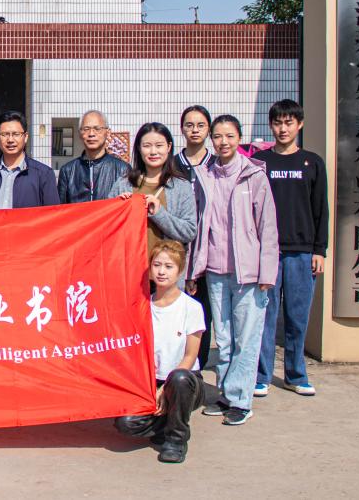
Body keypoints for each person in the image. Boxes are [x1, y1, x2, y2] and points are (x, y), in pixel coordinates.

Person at [188, 114, 278, 426]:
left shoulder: (254, 175)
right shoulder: (204, 175)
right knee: (224, 339)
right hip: (215, 269)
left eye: (229, 136)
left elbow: (268, 227)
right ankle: (227, 394)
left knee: (246, 337)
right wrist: (194, 270)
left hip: (248, 272)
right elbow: (199, 225)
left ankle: (241, 399)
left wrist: (267, 273)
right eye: (218, 136)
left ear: (239, 139)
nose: (223, 142)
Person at [253, 99, 328, 398]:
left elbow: (321, 209)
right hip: (268, 252)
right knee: (265, 317)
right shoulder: (260, 162)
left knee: (297, 318)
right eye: (277, 123)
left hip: (302, 252)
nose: (283, 129)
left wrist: (319, 250)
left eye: (289, 122)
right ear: (271, 125)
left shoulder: (312, 162)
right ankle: (261, 375)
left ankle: (296, 375)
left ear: (300, 124)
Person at [115, 240, 205, 464]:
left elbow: (190, 356)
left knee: (180, 379)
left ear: (179, 270)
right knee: (126, 423)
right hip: (149, 382)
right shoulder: (141, 306)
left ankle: (177, 440)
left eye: (168, 266)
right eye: (157, 265)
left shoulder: (191, 307)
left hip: (184, 382)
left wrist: (165, 390)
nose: (162, 271)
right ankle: (166, 424)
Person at [108, 122, 197, 258]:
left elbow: (189, 232)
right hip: (130, 266)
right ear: (139, 148)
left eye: (159, 145)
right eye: (147, 146)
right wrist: (118, 208)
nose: (153, 151)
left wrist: (159, 213)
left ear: (169, 147)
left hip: (165, 268)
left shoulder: (181, 186)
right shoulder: (123, 184)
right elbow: (108, 227)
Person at [177, 105, 216, 369]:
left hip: (209, 250)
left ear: (208, 129)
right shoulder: (172, 164)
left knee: (203, 312)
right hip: (177, 249)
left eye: (200, 125)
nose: (195, 130)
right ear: (182, 129)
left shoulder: (216, 165)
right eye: (189, 125)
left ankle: (198, 365)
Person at [0, 111, 60, 209]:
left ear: (25, 137)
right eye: (4, 134)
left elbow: (53, 213)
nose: (10, 140)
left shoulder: (44, 174)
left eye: (16, 134)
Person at [57, 110, 130, 204]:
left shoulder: (123, 169)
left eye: (97, 128)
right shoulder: (68, 171)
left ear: (108, 132)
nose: (91, 134)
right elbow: (61, 209)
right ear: (80, 133)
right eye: (86, 129)